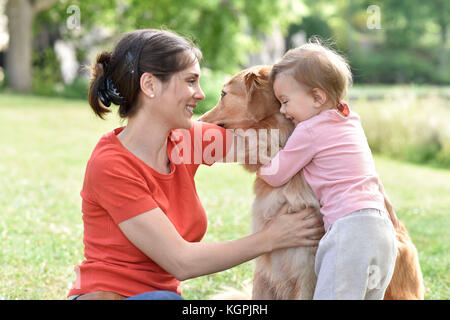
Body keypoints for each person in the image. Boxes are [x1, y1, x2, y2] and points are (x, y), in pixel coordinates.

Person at [67, 29, 324, 300]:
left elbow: (277, 144)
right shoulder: (112, 165)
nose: (201, 95)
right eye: (190, 81)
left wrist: (316, 102)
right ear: (150, 85)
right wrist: (271, 237)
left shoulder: (186, 141)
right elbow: (181, 262)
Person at [257, 41, 398, 300]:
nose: (282, 110)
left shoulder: (309, 130)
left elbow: (276, 173)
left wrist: (258, 160)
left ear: (317, 97)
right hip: (384, 232)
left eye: (285, 101)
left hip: (350, 231)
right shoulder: (351, 121)